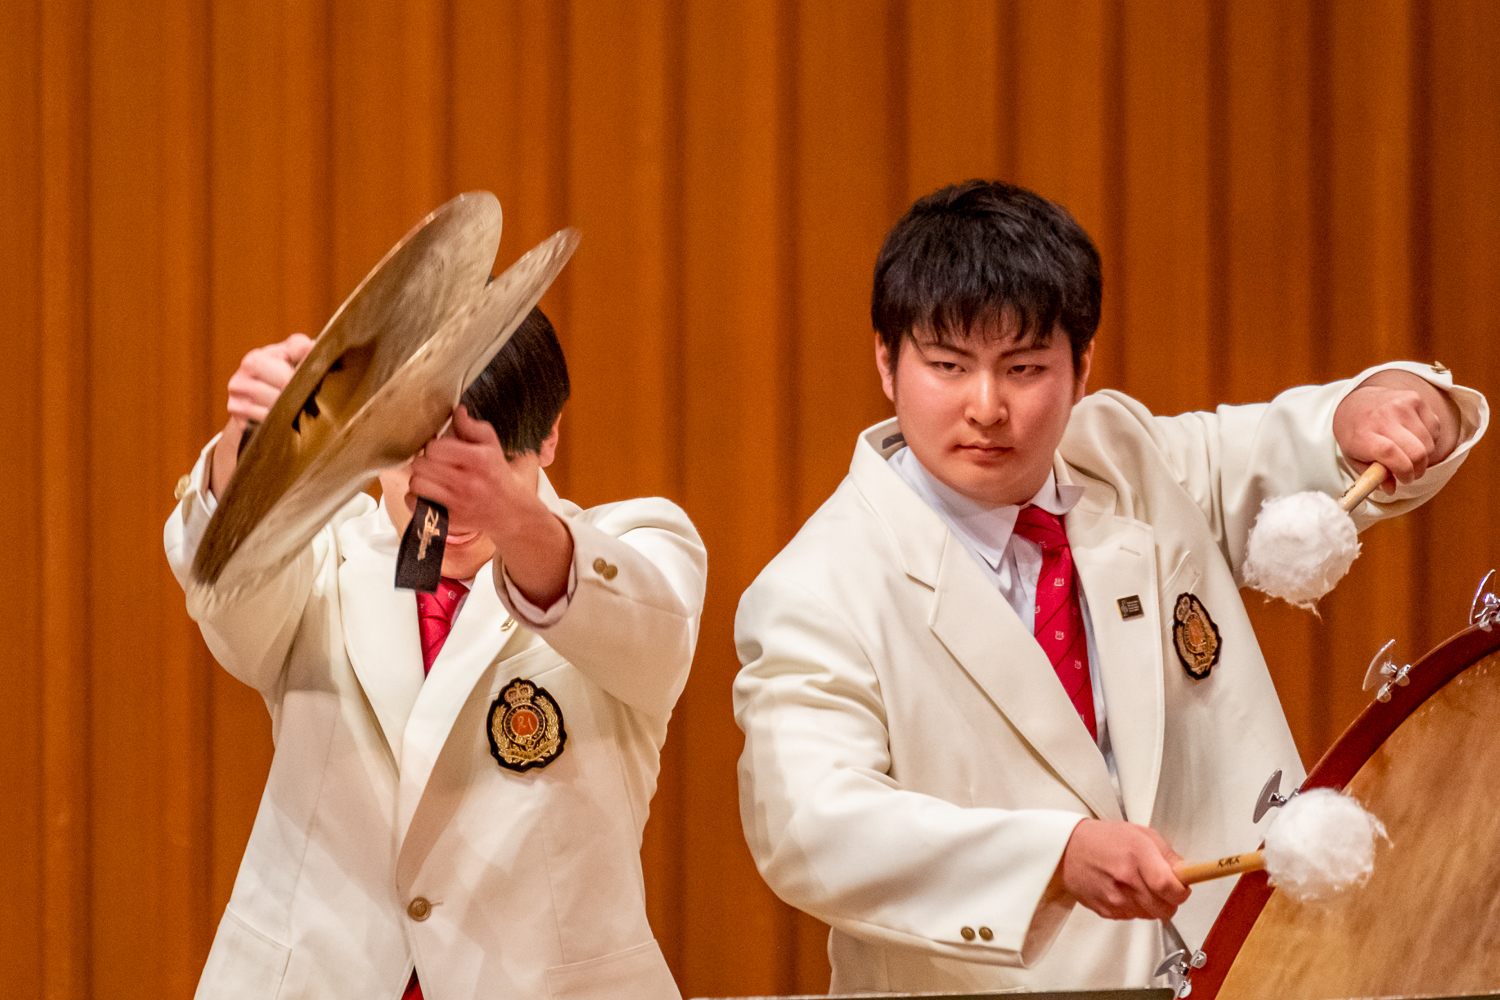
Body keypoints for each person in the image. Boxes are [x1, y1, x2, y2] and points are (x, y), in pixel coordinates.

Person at [732, 180, 1488, 993]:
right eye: (948, 366)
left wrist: (1397, 409)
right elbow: (810, 825)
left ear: (1081, 365)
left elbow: (1313, 444)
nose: (987, 407)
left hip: (1257, 971)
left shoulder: (1127, 460)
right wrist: (1054, 857)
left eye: (1024, 368)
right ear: (887, 362)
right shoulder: (816, 587)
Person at [166, 308, 706, 1000]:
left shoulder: (637, 544)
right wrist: (250, 445)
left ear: (548, 436)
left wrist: (513, 516)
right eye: (418, 457)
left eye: (485, 462)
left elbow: (655, 633)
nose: (447, 499)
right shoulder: (321, 557)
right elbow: (225, 584)